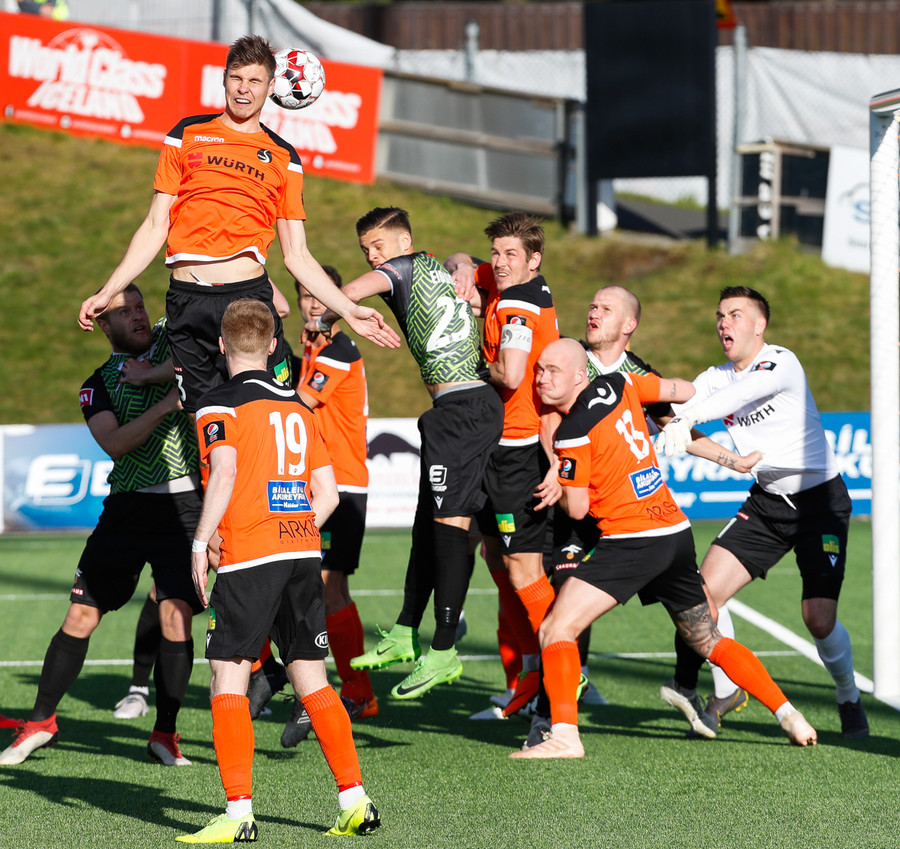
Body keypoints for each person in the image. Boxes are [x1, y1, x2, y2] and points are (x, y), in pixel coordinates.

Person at [510, 338, 817, 759]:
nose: (541, 378)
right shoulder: (621, 382)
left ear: (580, 375)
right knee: (707, 640)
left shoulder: (571, 433)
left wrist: (561, 484)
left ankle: (564, 736)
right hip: (674, 532)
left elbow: (577, 510)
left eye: (552, 371)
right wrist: (675, 419)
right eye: (539, 370)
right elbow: (683, 390)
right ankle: (790, 715)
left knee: (555, 629)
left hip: (632, 540)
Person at [77, 34, 399, 417]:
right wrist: (109, 291)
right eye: (237, 78)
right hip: (186, 301)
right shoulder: (185, 134)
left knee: (263, 414)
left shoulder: (284, 157)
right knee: (204, 418)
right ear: (224, 79)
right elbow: (153, 226)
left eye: (255, 81)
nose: (244, 89)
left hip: (246, 299)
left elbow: (297, 255)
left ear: (271, 87)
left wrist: (347, 309)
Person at [180, 299, 380, 842]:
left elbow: (224, 471)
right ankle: (355, 800)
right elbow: (328, 494)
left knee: (227, 673)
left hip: (250, 555)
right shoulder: (298, 404)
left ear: (221, 345)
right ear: (272, 347)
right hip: (301, 551)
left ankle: (238, 812)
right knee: (311, 676)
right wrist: (294, 529)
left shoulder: (217, 402)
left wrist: (199, 541)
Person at [0, 285, 201, 766]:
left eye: (140, 306)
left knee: (176, 617)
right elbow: (114, 444)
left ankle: (165, 734)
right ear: (103, 326)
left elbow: (212, 350)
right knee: (80, 615)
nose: (137, 315)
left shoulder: (174, 340)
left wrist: (157, 375)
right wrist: (166, 403)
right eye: (124, 312)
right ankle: (42, 723)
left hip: (185, 508)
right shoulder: (97, 384)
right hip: (126, 509)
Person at [656, 286, 868, 738]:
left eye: (735, 314)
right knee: (702, 597)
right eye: (720, 315)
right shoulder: (715, 377)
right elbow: (675, 404)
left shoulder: (780, 362)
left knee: (818, 619)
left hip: (820, 503)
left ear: (759, 325)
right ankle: (718, 689)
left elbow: (734, 399)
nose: (724, 323)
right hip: (769, 503)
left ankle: (848, 695)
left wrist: (686, 418)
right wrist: (649, 399)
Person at [315, 207, 503, 700]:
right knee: (427, 525)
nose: (372, 257)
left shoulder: (399, 269)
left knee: (451, 529)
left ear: (403, 242)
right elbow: (464, 260)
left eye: (377, 246)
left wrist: (330, 316)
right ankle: (404, 630)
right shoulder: (435, 266)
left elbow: (347, 293)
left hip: (466, 410)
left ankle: (444, 648)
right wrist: (462, 263)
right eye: (365, 250)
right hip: (452, 412)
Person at [445, 213, 561, 719]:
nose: (499, 262)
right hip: (500, 445)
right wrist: (462, 270)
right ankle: (529, 677)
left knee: (522, 568)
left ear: (534, 260)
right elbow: (459, 259)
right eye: (496, 253)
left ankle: (557, 673)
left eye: (511, 254)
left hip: (520, 450)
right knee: (497, 559)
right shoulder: (509, 282)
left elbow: (511, 376)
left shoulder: (518, 302)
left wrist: (468, 364)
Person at [276, 266, 376, 747]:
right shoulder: (314, 347)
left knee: (325, 587)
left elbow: (299, 404)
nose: (313, 303)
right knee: (316, 586)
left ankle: (352, 692)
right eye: (306, 295)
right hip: (319, 482)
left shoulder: (339, 349)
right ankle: (341, 690)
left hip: (341, 485)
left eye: (322, 296)